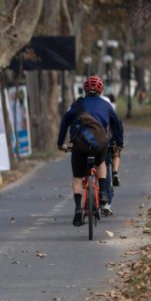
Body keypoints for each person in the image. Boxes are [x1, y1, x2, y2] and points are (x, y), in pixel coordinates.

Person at [57, 76, 124, 227]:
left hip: (80, 144)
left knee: (77, 177)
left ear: (85, 90)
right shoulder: (106, 105)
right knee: (100, 163)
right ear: (101, 90)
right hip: (100, 143)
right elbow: (117, 124)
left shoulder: (77, 104)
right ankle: (103, 193)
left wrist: (60, 143)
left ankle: (77, 208)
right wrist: (119, 143)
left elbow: (65, 122)